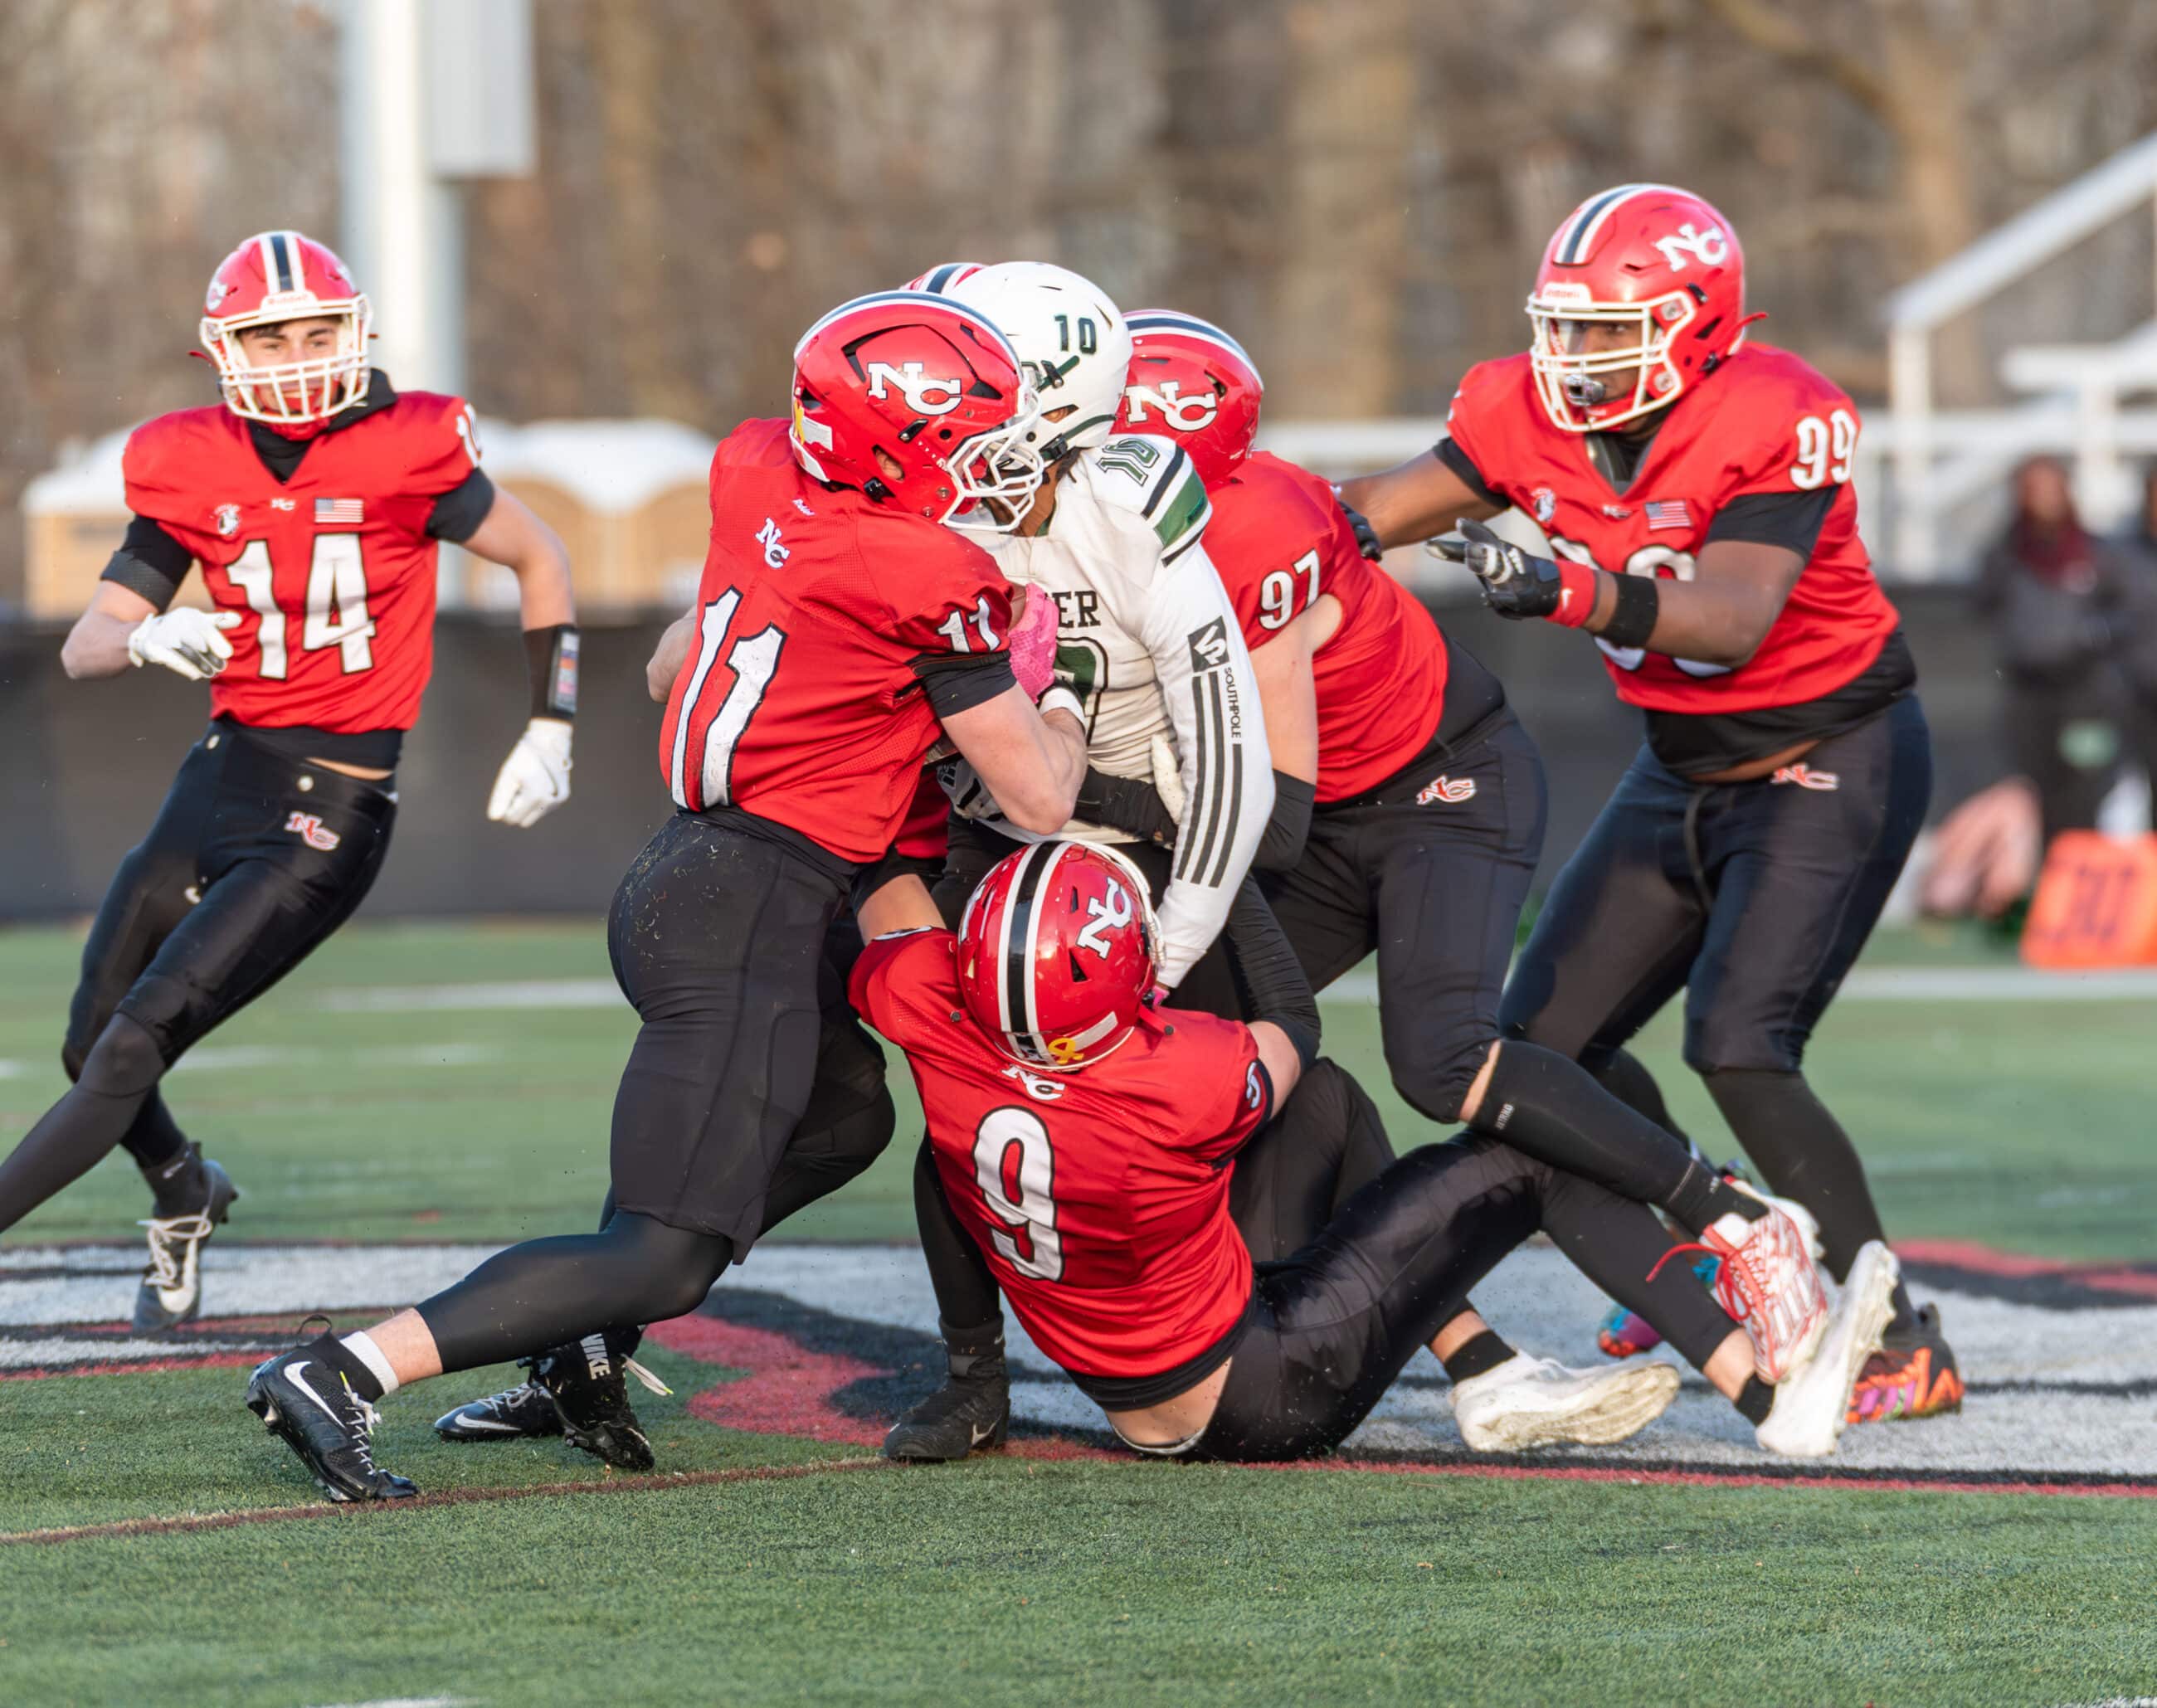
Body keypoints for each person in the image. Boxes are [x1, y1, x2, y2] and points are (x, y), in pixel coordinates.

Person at [241, 289, 1090, 1501]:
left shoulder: (760, 470)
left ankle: (577, 1345)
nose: (985, 466)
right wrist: (1057, 691)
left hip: (691, 873)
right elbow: (1040, 796)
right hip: (752, 906)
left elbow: (662, 666)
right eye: (964, 439)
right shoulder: (926, 569)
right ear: (890, 443)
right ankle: (344, 1368)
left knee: (843, 1119)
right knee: (665, 1254)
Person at [1338, 182, 1960, 1425]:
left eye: (1606, 332)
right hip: (1677, 763)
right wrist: (1254, 523)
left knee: (1739, 1040)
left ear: (1697, 326)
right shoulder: (1518, 409)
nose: (1573, 356)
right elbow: (1364, 514)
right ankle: (1721, 1245)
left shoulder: (1775, 410)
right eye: (1563, 326)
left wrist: (1566, 589)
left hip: (1827, 751)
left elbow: (1731, 621)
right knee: (1542, 1043)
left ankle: (1902, 1336)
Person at [852, 843, 1898, 1462]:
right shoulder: (1176, 1076)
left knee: (1327, 1106)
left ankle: (1482, 1369)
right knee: (1527, 1151)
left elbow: (884, 890)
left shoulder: (930, 1011)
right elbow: (1292, 1024)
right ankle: (1770, 1397)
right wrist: (1212, 859)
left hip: (1131, 1389)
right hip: (1263, 1389)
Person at [0, 230, 579, 1331]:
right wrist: (145, 635)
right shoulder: (189, 460)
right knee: (90, 1041)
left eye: (318, 333)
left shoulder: (407, 446)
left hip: (332, 804)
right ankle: (185, 1184)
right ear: (224, 349)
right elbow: (85, 643)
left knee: (130, 1045)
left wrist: (552, 722)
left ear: (355, 334)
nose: (299, 356)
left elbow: (538, 554)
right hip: (222, 774)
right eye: (273, 337)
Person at [1973, 455, 2134, 842]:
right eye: (2032, 491)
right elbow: (1983, 606)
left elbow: (2126, 612)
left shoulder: (2096, 553)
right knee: (2033, 789)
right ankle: (2044, 871)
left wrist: (2090, 636)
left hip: (2084, 696)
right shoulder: (2005, 556)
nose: (2042, 500)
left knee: (2085, 785)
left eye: (2049, 489)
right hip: (2028, 695)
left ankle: (2079, 868)